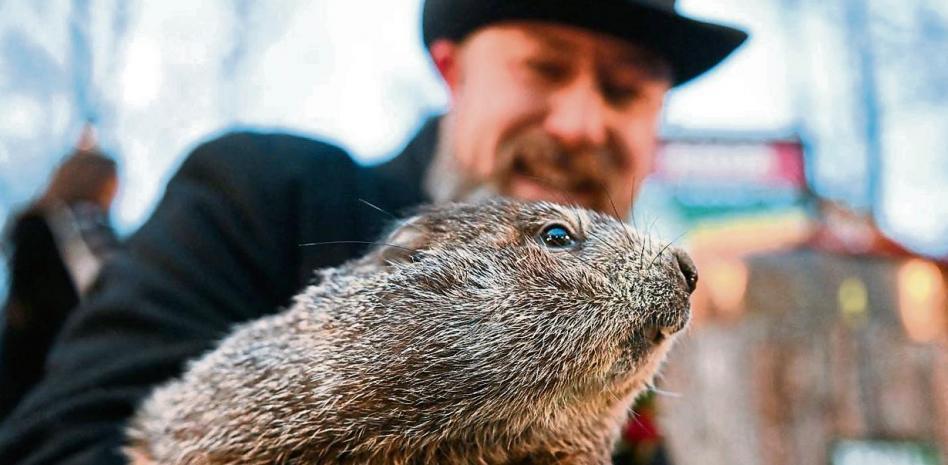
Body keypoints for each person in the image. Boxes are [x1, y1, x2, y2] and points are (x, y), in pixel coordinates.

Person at [0, 1, 746, 463]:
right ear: (453, 73)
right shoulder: (268, 190)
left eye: (624, 90)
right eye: (544, 68)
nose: (581, 123)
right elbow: (66, 440)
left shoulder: (632, 318)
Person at [0, 145, 120, 420]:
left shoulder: (30, 224)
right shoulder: (82, 221)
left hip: (21, 371)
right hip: (65, 369)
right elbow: (114, 286)